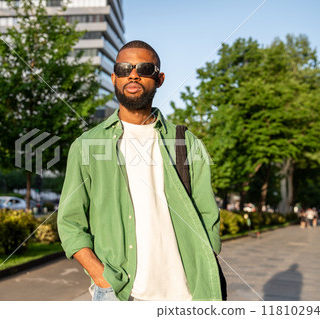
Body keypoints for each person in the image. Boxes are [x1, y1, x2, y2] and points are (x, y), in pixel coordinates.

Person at [57, 40, 223, 301]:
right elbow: (70, 221)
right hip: (121, 295)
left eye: (144, 68)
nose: (133, 74)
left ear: (160, 78)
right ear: (114, 78)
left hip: (187, 294)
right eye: (124, 69)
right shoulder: (86, 145)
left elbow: (207, 213)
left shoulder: (186, 143)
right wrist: (101, 276)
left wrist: (205, 259)